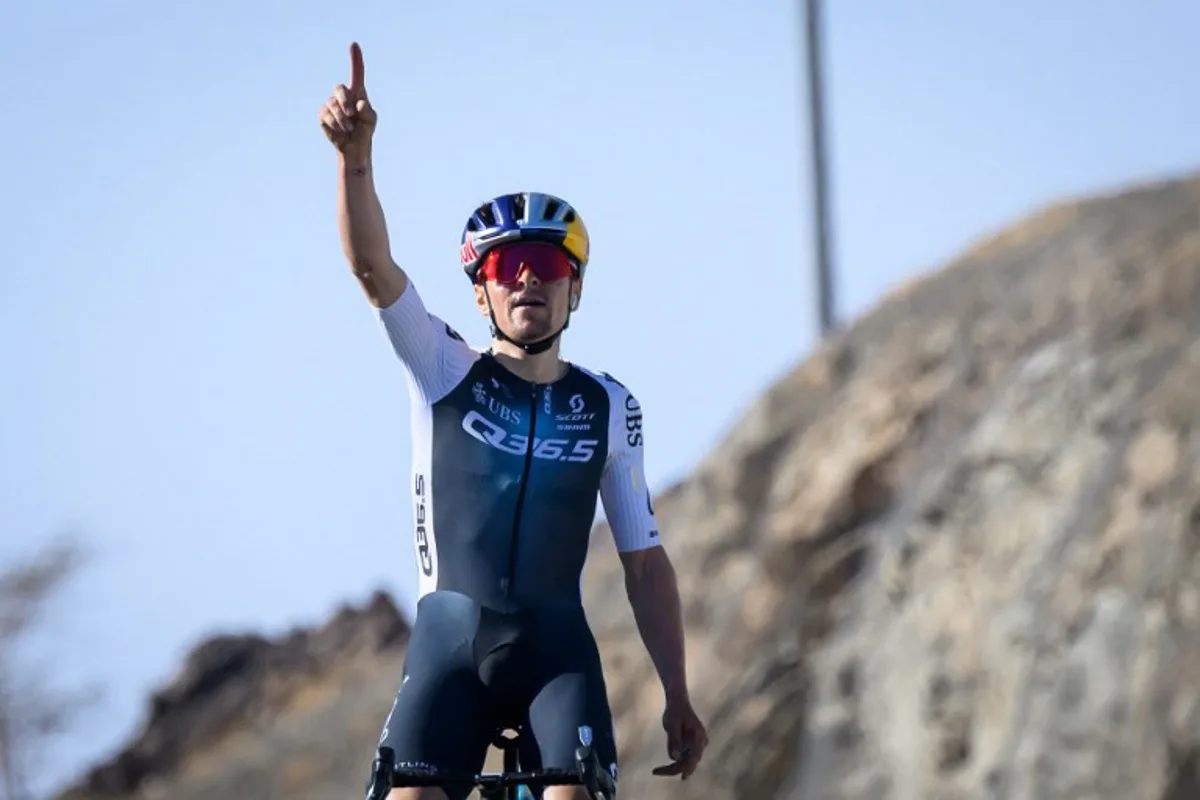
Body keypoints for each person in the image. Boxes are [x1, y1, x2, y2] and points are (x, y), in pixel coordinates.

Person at [318, 42, 708, 800]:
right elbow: (372, 270)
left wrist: (678, 692)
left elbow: (644, 564)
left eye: (550, 264)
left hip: (556, 655)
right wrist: (355, 160)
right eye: (504, 267)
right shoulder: (441, 368)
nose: (528, 275)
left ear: (575, 292)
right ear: (480, 294)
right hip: (448, 646)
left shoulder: (609, 405)